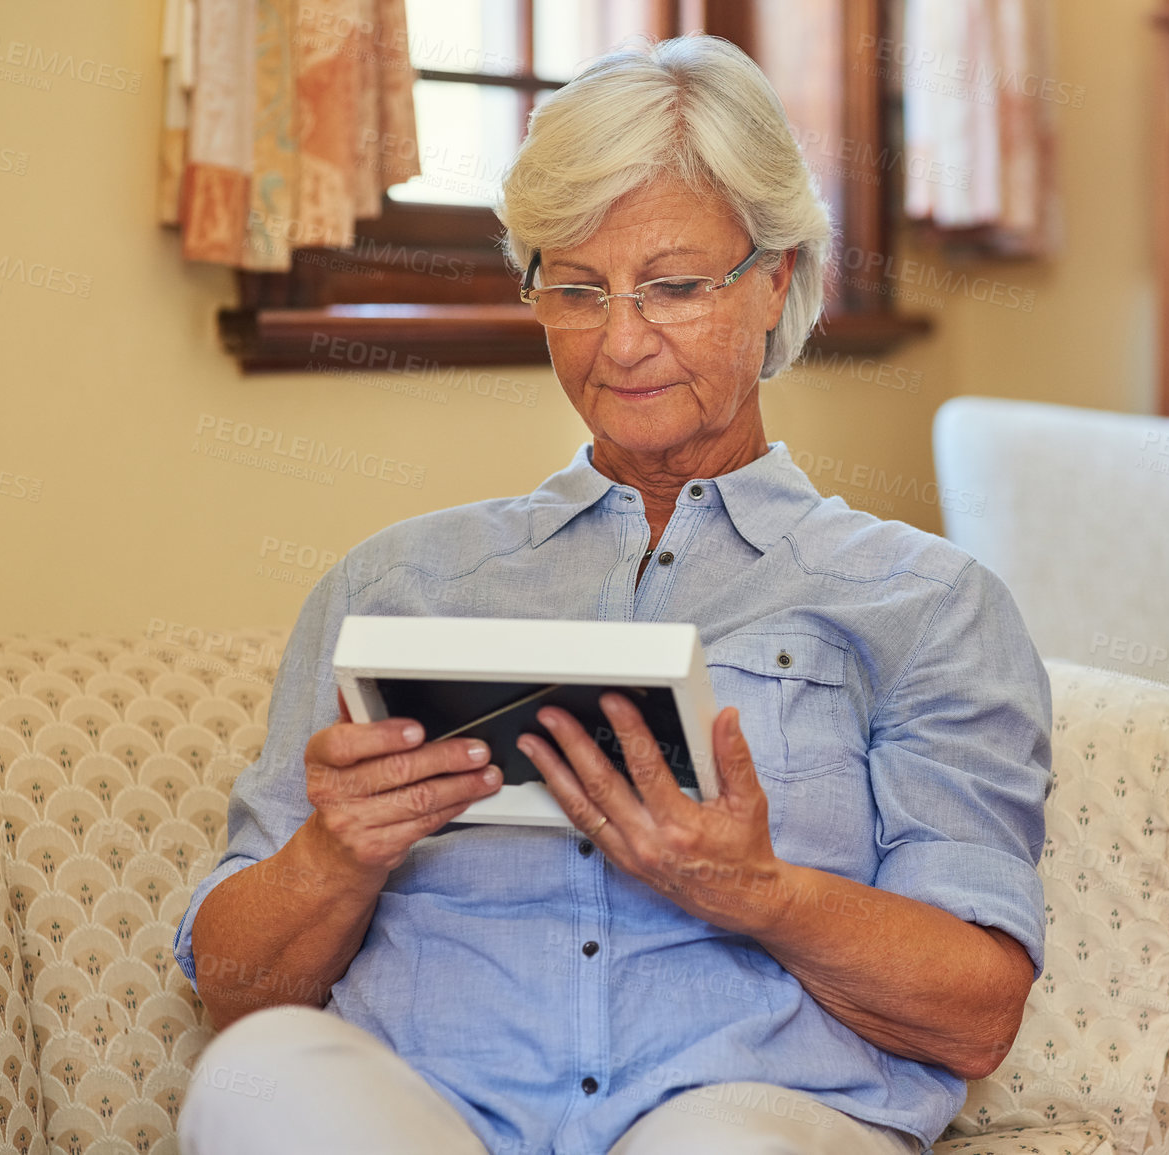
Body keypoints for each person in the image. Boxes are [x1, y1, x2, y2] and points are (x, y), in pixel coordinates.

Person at [174, 34, 1053, 1155]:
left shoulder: (925, 603)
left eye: (674, 286)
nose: (622, 341)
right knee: (253, 1076)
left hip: (745, 1115)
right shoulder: (396, 584)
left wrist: (759, 891)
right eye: (577, 288)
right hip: (427, 1112)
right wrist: (335, 854)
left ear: (775, 276)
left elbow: (978, 1014)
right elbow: (238, 991)